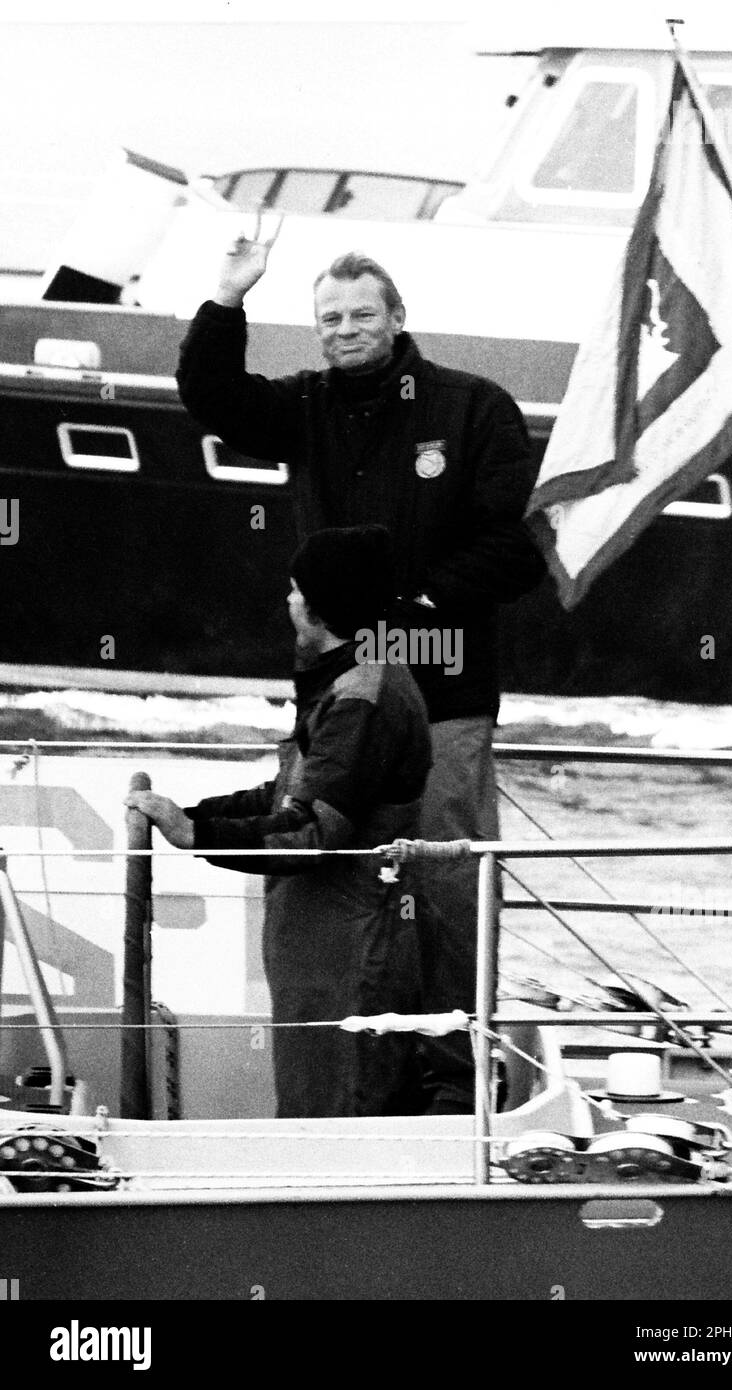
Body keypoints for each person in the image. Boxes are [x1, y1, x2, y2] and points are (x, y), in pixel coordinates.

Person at [176, 245, 545, 1113]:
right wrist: (227, 297)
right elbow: (212, 396)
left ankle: (455, 1086)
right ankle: (350, 1087)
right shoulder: (301, 406)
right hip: (335, 702)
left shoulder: (472, 407)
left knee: (443, 888)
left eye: (361, 314)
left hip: (444, 697)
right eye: (330, 318)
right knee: (321, 888)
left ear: (397, 317)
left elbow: (522, 543)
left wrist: (419, 598)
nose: (344, 331)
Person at [126, 525, 432, 1118]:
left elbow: (312, 835)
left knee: (339, 1116)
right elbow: (287, 791)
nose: (287, 602)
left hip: (349, 948)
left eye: (295, 591)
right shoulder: (349, 681)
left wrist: (198, 836)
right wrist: (193, 814)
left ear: (320, 607)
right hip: (323, 949)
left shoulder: (363, 695)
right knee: (312, 1104)